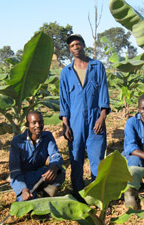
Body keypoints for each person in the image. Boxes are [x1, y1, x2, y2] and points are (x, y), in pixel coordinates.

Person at [59, 34, 110, 201]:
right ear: (69, 49)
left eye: (78, 44)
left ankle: (98, 196)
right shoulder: (66, 72)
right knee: (76, 159)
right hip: (74, 122)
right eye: (72, 45)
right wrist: (65, 125)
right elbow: (64, 101)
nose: (75, 47)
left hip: (96, 119)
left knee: (97, 159)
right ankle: (79, 194)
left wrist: (102, 117)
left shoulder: (97, 66)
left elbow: (103, 94)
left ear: (83, 45)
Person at [9, 111, 65, 201]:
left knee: (59, 172)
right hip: (24, 179)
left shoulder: (47, 136)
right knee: (28, 203)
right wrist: (23, 189)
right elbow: (15, 170)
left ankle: (47, 196)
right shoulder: (17, 141)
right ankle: (28, 194)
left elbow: (55, 154)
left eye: (40, 122)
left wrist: (54, 167)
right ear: (27, 124)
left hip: (40, 174)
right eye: (34, 123)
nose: (38, 125)